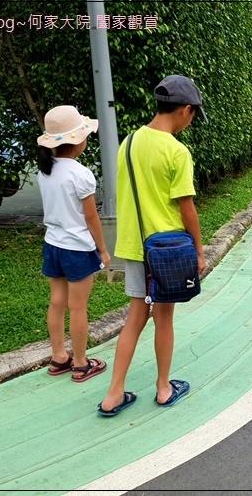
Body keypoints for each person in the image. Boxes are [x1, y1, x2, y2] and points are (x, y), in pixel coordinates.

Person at [97, 75, 207, 417]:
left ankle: (114, 394)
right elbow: (186, 209)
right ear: (186, 110)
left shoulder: (128, 142)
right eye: (193, 116)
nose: (191, 122)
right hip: (169, 251)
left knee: (135, 317)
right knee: (164, 318)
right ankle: (163, 388)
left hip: (135, 247)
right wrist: (200, 252)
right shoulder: (177, 151)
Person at [37, 105, 110, 382]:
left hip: (52, 245)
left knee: (57, 303)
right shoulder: (81, 174)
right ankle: (81, 363)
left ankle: (59, 357)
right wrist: (102, 250)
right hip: (78, 248)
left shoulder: (45, 170)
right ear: (78, 140)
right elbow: (91, 218)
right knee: (78, 308)